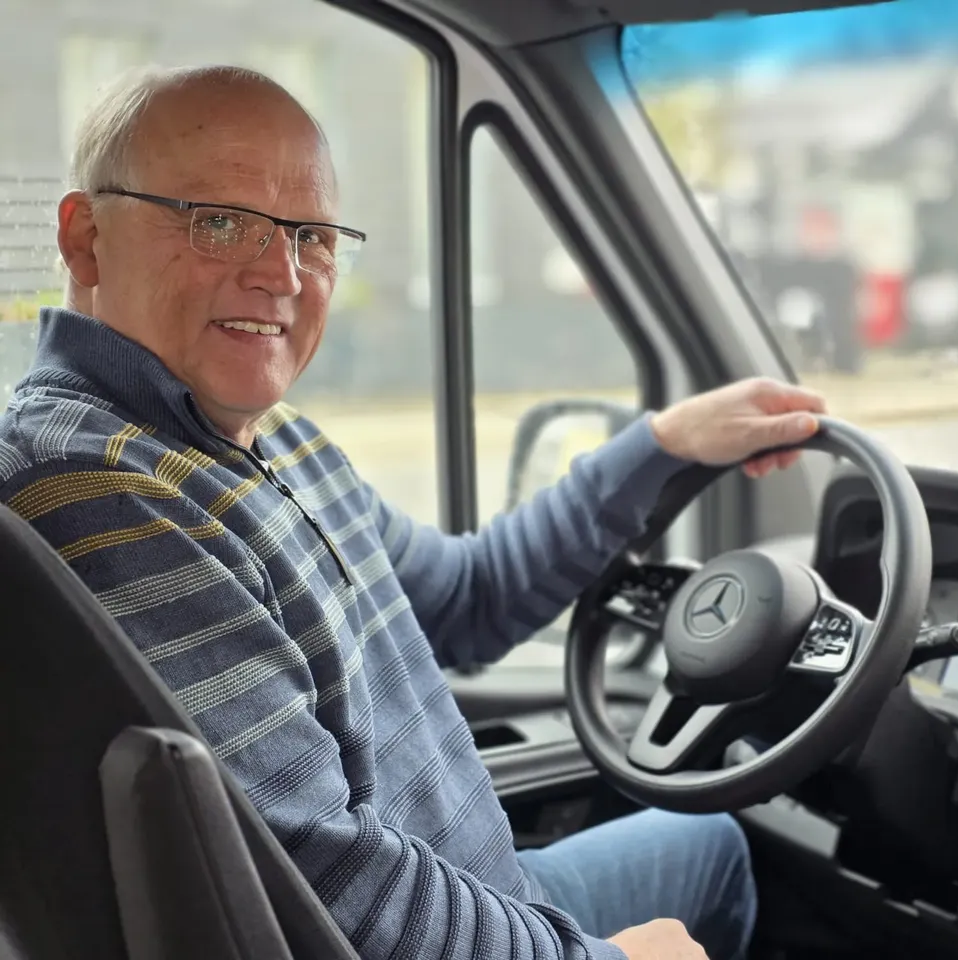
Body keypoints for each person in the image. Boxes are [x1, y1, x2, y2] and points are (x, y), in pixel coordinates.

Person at [0, 65, 828, 960]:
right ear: (85, 240)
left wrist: (664, 443)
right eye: (220, 222)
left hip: (491, 897)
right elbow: (333, 885)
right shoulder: (91, 490)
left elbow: (466, 602)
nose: (278, 274)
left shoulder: (265, 438)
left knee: (712, 846)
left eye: (310, 236)